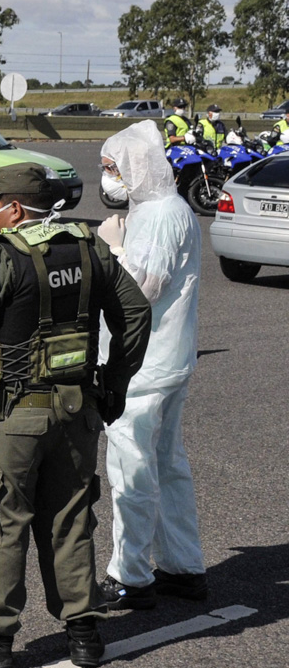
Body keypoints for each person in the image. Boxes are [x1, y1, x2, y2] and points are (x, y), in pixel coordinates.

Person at [0, 163, 151, 668]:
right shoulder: (91, 250)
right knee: (70, 520)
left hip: (11, 420)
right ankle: (85, 633)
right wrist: (115, 382)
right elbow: (135, 313)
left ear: (16, 208)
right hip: (77, 411)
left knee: (0, 521)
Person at [96, 120, 207, 610]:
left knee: (131, 469)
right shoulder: (162, 209)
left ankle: (130, 576)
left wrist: (110, 256)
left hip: (143, 367)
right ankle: (183, 568)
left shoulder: (161, 215)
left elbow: (140, 291)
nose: (107, 179)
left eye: (111, 169)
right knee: (167, 465)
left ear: (135, 167)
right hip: (167, 360)